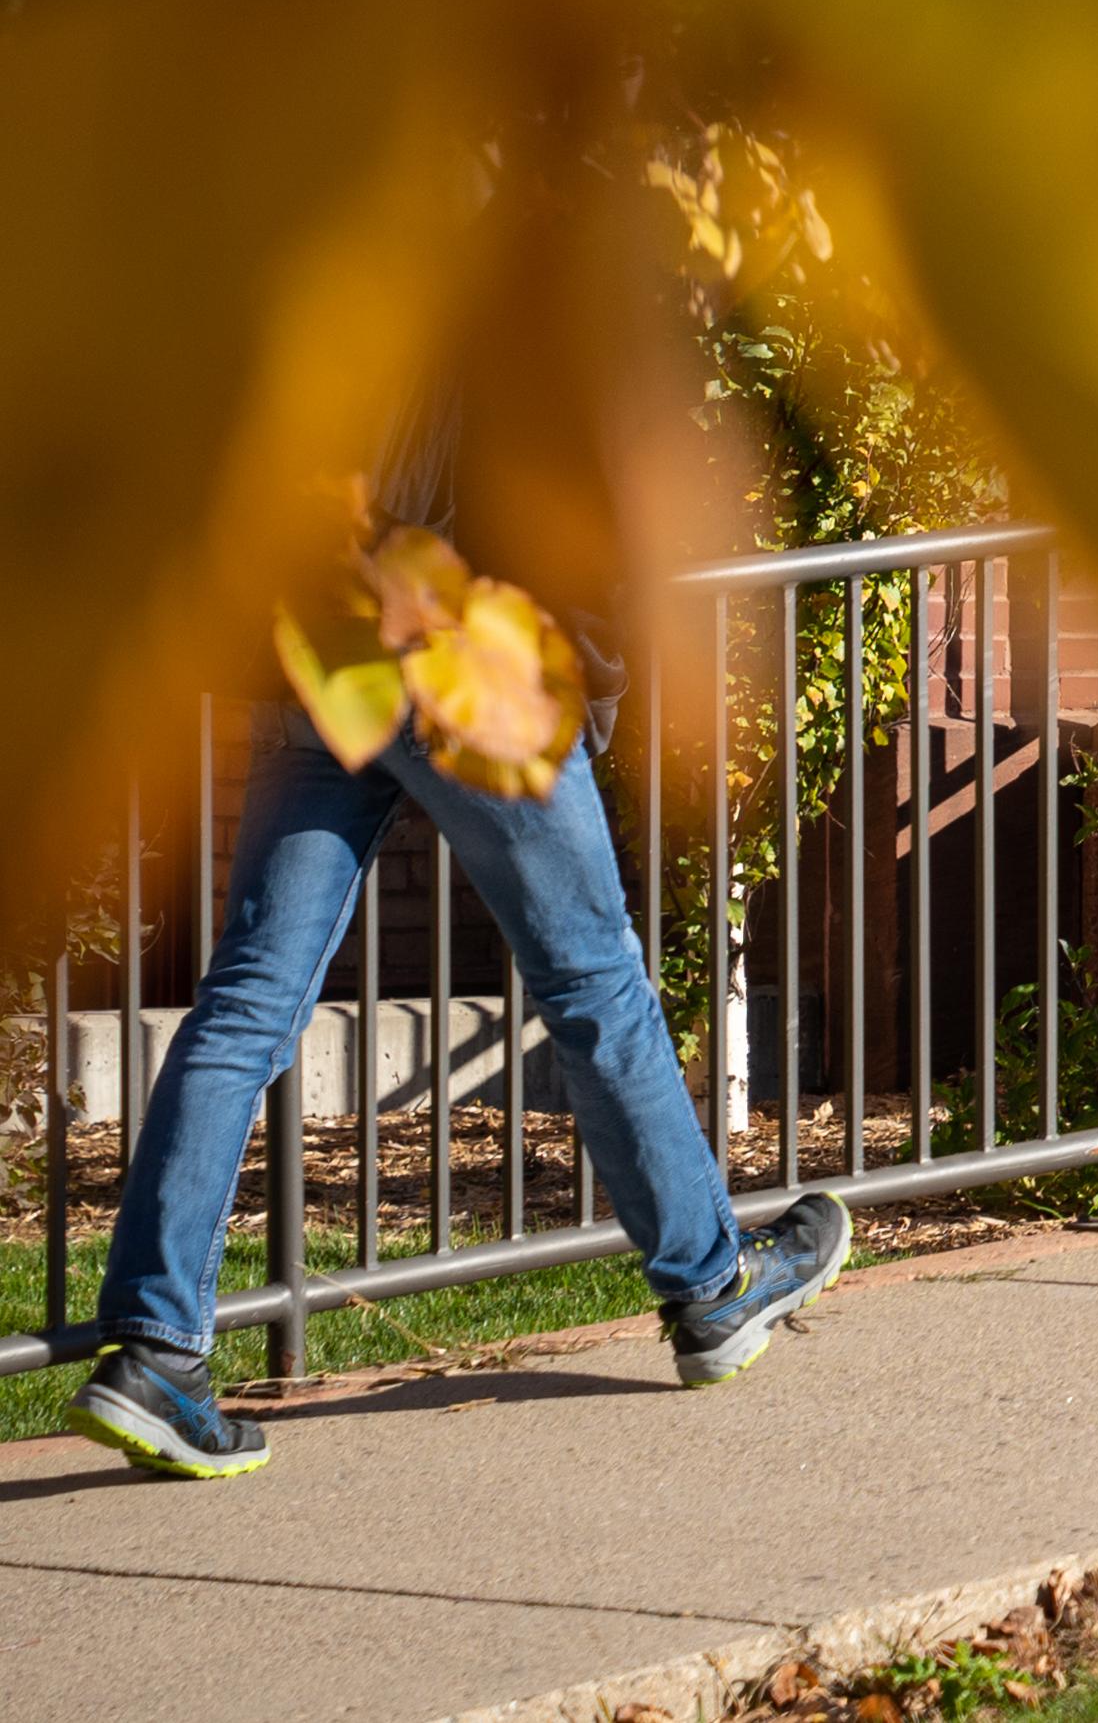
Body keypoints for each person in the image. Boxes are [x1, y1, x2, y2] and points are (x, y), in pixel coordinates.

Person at [72, 478, 854, 1479]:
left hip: (322, 669)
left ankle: (153, 1350)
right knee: (595, 985)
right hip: (458, 668)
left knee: (246, 1004)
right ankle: (712, 1287)